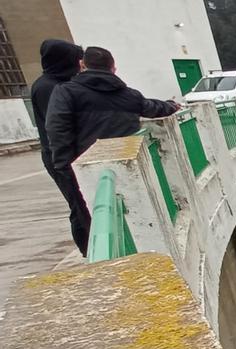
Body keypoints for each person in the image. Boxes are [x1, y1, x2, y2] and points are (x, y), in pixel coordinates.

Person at [44, 46, 180, 253]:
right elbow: (152, 108)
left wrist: (63, 166)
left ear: (82, 65)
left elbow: (57, 128)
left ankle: (98, 257)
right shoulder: (128, 95)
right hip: (126, 165)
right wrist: (171, 105)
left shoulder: (66, 92)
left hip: (84, 167)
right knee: (130, 213)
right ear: (113, 68)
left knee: (91, 216)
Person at [30, 39, 90, 256]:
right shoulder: (48, 88)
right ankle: (88, 251)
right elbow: (59, 127)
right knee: (80, 207)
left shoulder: (59, 84)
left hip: (68, 155)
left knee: (86, 204)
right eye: (76, 61)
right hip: (62, 158)